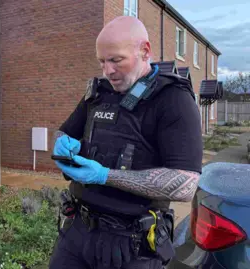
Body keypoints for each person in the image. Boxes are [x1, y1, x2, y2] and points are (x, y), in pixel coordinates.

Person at [48, 16, 202, 269]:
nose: (108, 71)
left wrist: (104, 176)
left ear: (145, 51)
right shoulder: (99, 93)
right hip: (77, 231)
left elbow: (185, 185)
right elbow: (65, 132)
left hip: (132, 245)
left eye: (116, 60)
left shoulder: (173, 100)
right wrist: (62, 143)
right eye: (102, 62)